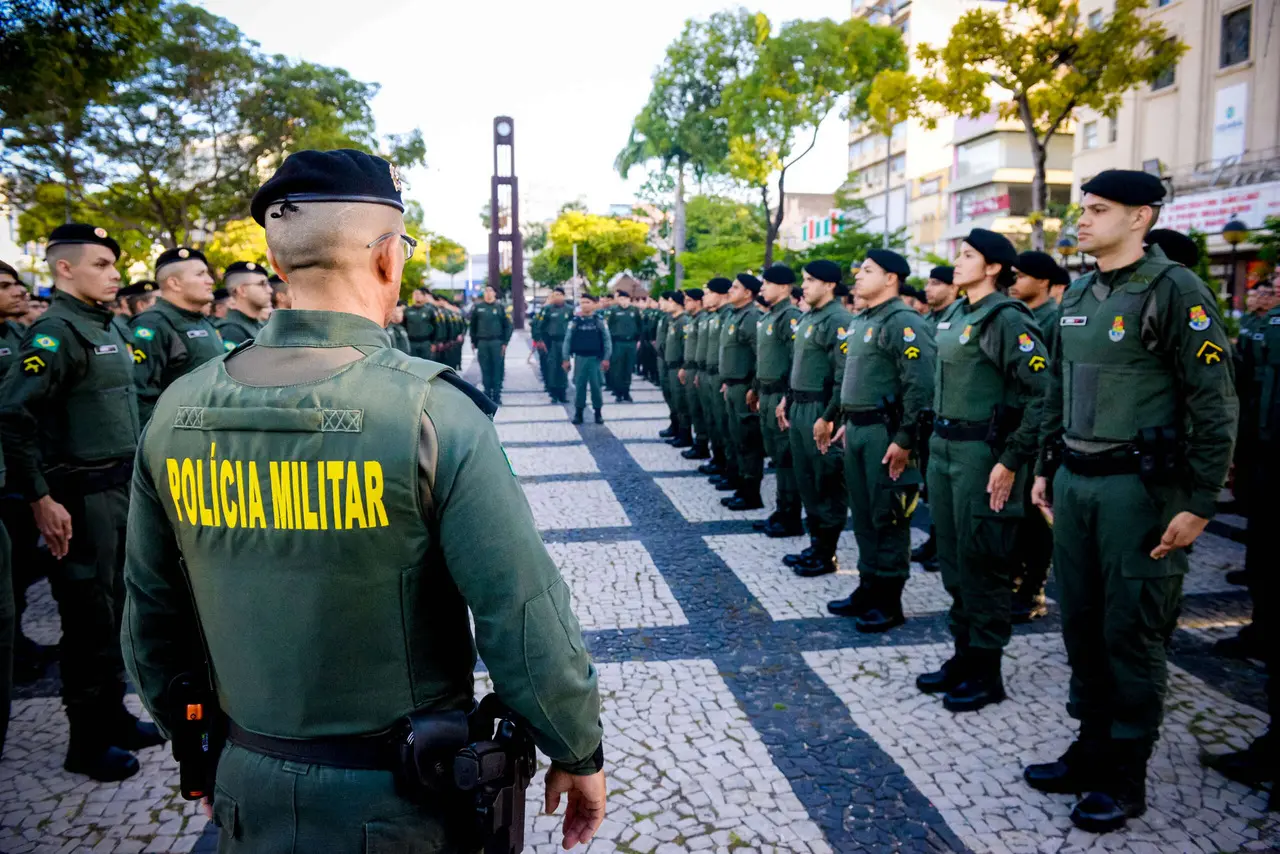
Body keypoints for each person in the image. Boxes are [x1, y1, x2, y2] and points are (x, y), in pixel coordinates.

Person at [121, 149, 607, 852]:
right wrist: (575, 746)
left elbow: (150, 611)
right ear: (387, 257)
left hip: (245, 776)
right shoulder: (430, 412)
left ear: (278, 262)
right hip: (400, 799)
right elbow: (520, 611)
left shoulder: (175, 409)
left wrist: (195, 744)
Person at [1025, 170, 1238, 833]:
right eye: (1082, 210)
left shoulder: (1175, 290)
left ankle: (1125, 770)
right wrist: (1046, 465)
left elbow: (1215, 402)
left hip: (1138, 491)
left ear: (1141, 216)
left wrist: (1200, 501)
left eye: (1097, 210)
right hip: (1076, 481)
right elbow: (1057, 389)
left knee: (1132, 631)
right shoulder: (1080, 290)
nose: (1082, 221)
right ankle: (1091, 746)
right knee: (1082, 623)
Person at [0, 223, 164, 781]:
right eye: (100, 264)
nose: (114, 274)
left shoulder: (106, 324)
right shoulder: (55, 333)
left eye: (114, 264)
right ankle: (86, 741)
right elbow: (12, 416)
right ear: (64, 269)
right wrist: (40, 497)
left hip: (119, 490)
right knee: (88, 619)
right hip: (79, 497)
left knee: (116, 612)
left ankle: (113, 717)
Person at [915, 228, 1049, 715]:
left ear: (993, 267)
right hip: (945, 450)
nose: (957, 261)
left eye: (968, 255)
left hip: (982, 456)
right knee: (954, 561)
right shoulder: (955, 313)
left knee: (985, 565)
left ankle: (987, 672)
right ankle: (964, 656)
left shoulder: (1007, 318)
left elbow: (1042, 394)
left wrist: (1012, 460)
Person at [819, 250, 934, 632]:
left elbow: (920, 385)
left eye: (867, 271)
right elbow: (851, 379)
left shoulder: (903, 321)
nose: (857, 276)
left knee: (889, 516)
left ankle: (888, 599)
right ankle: (867, 586)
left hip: (886, 433)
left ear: (891, 279)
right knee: (865, 515)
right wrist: (842, 418)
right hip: (858, 430)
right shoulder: (862, 319)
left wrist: (905, 438)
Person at [776, 261, 853, 577]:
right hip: (800, 406)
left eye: (811, 280)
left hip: (821, 409)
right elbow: (799, 365)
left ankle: (826, 553)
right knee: (807, 480)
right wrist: (787, 398)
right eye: (804, 279)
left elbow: (843, 375)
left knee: (826, 482)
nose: (804, 285)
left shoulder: (839, 319)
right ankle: (815, 545)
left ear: (830, 284)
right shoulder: (809, 317)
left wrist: (829, 416)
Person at [1008, 250, 1063, 623]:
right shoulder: (1019, 316)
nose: (1014, 282)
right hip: (1015, 430)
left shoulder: (1052, 320)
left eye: (1021, 276)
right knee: (1015, 515)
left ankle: (1034, 589)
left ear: (1042, 281)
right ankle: (1014, 581)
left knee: (1035, 518)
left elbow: (1052, 384)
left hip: (1041, 433)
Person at [130, 247, 224, 424]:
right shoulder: (152, 324)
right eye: (200, 274)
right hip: (176, 435)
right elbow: (141, 398)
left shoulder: (202, 321)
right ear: (174, 283)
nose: (210, 281)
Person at [751, 266, 805, 537]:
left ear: (784, 287)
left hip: (781, 395)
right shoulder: (770, 316)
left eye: (767, 283)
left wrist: (787, 397)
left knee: (786, 458)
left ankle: (791, 516)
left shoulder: (790, 316)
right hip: (767, 393)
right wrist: (756, 388)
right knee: (776, 454)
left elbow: (797, 360)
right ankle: (782, 510)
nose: (762, 288)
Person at [718, 273, 765, 511]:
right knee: (736, 438)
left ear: (748, 293)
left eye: (735, 287)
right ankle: (740, 486)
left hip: (745, 387)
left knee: (748, 442)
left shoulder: (751, 317)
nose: (730, 290)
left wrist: (754, 387)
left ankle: (751, 494)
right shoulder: (734, 315)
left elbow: (760, 356)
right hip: (733, 385)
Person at [699, 279, 735, 485]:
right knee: (714, 421)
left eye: (708, 293)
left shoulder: (729, 316)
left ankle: (730, 469)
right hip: (711, 373)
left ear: (720, 294)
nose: (705, 297)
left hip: (724, 377)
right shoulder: (717, 316)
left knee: (726, 426)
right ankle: (719, 460)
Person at [563, 294, 612, 424]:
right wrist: (565, 358)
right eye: (582, 302)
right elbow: (567, 340)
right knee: (580, 387)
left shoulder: (599, 321)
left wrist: (606, 358)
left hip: (596, 360)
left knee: (596, 387)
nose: (584, 305)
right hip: (580, 359)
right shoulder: (575, 321)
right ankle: (578, 413)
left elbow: (607, 340)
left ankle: (598, 413)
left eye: (587, 302)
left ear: (594, 304)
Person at [678, 289, 707, 457]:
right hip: (690, 367)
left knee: (699, 410)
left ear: (697, 302)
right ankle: (699, 443)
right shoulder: (693, 320)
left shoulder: (702, 319)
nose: (685, 303)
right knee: (693, 408)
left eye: (688, 300)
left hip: (698, 369)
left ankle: (702, 444)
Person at [470, 285, 512, 403]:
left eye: (490, 291)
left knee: (497, 368)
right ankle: (487, 393)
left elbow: (508, 326)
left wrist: (505, 342)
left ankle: (497, 394)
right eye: (486, 291)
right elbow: (473, 326)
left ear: (494, 293)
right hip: (483, 342)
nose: (488, 293)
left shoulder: (500, 308)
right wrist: (473, 341)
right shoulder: (478, 308)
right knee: (485, 368)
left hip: (497, 342)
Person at [216, 261, 272, 349]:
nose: (270, 290)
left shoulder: (257, 324)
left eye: (268, 284)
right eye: (262, 284)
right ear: (242, 290)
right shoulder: (231, 330)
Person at [663, 291, 692, 446]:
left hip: (679, 367)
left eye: (670, 301)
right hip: (671, 366)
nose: (667, 304)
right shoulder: (674, 320)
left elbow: (685, 347)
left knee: (681, 403)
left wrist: (683, 366)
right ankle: (677, 430)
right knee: (675, 401)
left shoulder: (683, 321)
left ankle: (685, 435)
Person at [539, 288, 573, 403]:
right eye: (555, 295)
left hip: (565, 342)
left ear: (563, 296)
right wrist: (541, 340)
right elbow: (541, 326)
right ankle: (553, 394)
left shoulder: (569, 309)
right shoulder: (547, 309)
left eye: (559, 294)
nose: (557, 297)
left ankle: (562, 393)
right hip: (551, 342)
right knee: (552, 368)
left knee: (564, 368)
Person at [607, 291, 641, 401]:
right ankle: (618, 393)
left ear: (629, 300)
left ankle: (626, 392)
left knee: (628, 368)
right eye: (621, 299)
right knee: (618, 368)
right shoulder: (614, 311)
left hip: (631, 342)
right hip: (618, 343)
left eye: (625, 299)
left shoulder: (634, 310)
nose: (623, 301)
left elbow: (639, 326)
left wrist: (638, 340)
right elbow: (610, 326)